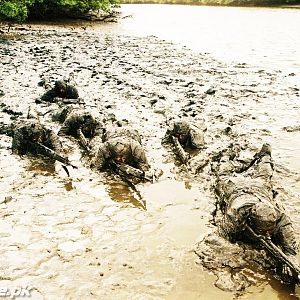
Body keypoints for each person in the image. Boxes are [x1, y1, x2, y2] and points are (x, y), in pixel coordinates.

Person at [214, 143, 298, 257]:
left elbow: (291, 248)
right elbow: (220, 239)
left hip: (259, 189)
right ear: (251, 220)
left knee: (265, 175)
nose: (267, 235)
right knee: (222, 175)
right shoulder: (235, 215)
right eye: (263, 232)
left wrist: (289, 257)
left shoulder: (279, 216)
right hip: (235, 188)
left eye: (269, 230)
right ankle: (226, 157)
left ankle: (265, 156)